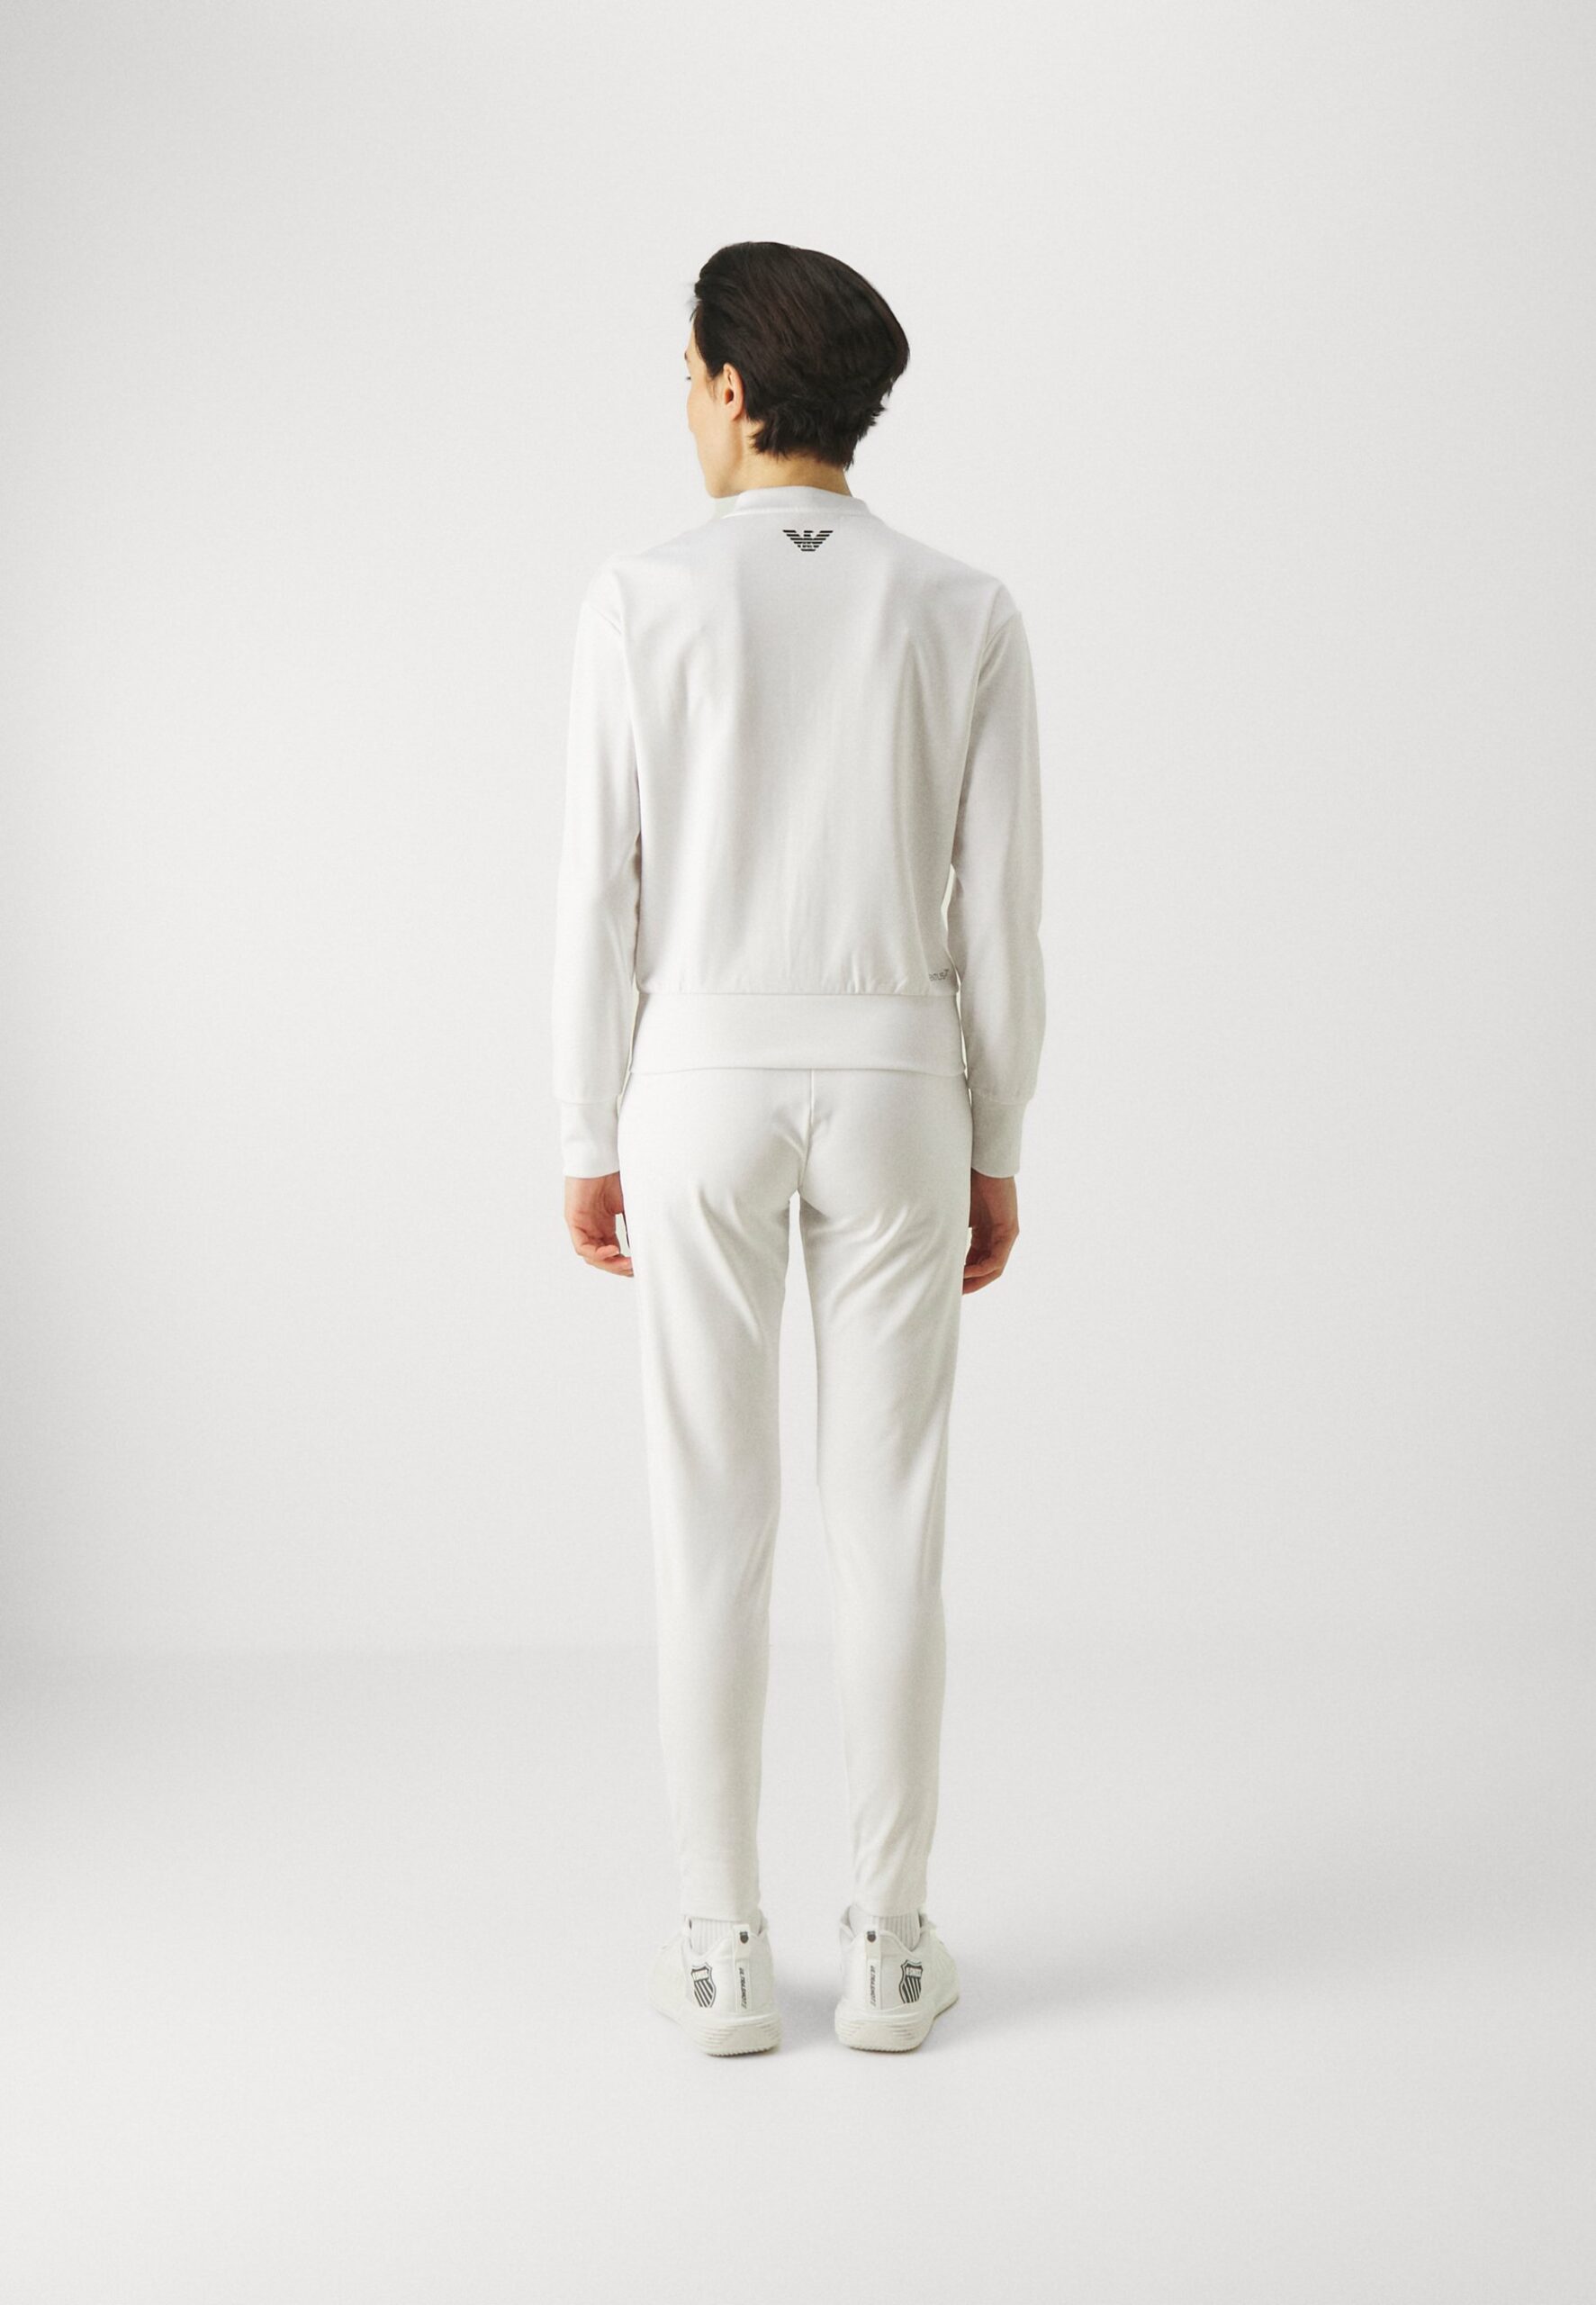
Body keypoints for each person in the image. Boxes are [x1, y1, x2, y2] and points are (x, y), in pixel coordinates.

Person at [551, 240, 1045, 2054]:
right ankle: (894, 1949)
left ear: (733, 387)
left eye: (687, 374)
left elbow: (593, 893)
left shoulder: (641, 594)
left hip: (693, 1078)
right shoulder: (961, 605)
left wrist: (584, 1120)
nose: (682, 404)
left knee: (712, 1518)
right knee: (888, 1521)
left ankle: (722, 1950)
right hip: (904, 1080)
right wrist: (998, 1128)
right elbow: (1000, 914)